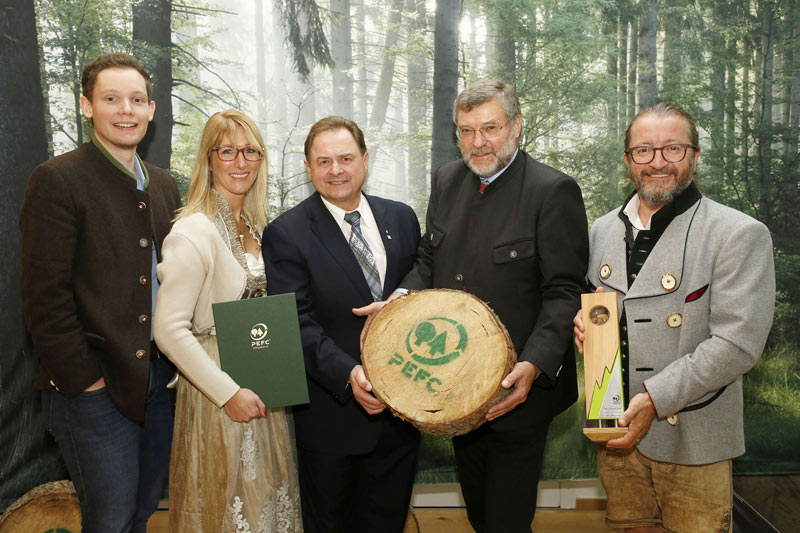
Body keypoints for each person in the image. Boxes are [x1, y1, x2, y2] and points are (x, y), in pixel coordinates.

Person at [362, 79, 590, 532]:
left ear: (516, 126)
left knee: (506, 519)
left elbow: (565, 291)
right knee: (480, 513)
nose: (478, 142)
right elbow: (430, 257)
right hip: (457, 388)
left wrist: (534, 366)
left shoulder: (553, 191)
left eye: (490, 127)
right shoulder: (448, 180)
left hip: (518, 391)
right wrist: (399, 302)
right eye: (466, 131)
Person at [573, 102, 775, 533]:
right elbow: (599, 313)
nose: (658, 162)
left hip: (694, 437)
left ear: (696, 156)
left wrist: (655, 399)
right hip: (616, 431)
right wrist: (584, 328)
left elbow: (737, 345)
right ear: (628, 160)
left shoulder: (738, 233)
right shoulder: (600, 230)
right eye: (643, 151)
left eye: (673, 150)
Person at [19, 53, 180, 532]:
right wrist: (86, 381)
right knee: (109, 519)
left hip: (161, 383)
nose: (125, 110)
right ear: (88, 107)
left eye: (136, 100)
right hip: (95, 389)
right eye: (112, 99)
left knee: (142, 510)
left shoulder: (166, 185)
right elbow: (43, 297)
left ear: (151, 110)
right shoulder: (57, 179)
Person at [263, 116, 421, 532]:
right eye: (324, 161)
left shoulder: (402, 219)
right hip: (331, 420)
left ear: (365, 161)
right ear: (308, 167)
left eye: (346, 158)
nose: (336, 170)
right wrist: (348, 374)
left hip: (401, 418)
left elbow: (419, 292)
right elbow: (295, 321)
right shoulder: (286, 233)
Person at [153, 110, 302, 531]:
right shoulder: (192, 231)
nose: (240, 162)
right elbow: (168, 329)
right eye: (227, 151)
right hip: (216, 390)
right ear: (209, 159)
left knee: (267, 510)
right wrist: (227, 392)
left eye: (250, 151)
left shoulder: (257, 225)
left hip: (263, 380)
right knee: (227, 510)